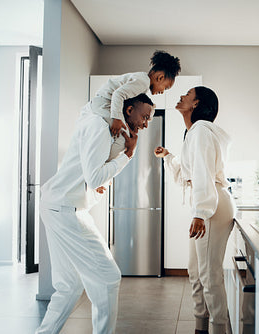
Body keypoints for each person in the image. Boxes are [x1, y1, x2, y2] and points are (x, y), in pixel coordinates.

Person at [36, 93, 155, 334]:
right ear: (128, 109)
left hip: (59, 205)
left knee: (69, 285)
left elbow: (93, 179)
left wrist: (99, 183)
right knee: (109, 277)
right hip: (66, 209)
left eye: (149, 119)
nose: (146, 123)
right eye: (144, 116)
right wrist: (128, 156)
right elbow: (94, 177)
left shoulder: (109, 129)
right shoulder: (101, 127)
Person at [154, 87, 235, 334]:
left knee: (209, 275)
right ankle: (201, 326)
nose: (181, 96)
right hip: (206, 203)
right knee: (195, 271)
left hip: (211, 206)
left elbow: (202, 174)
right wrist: (169, 156)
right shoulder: (193, 132)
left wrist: (200, 212)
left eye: (187, 94)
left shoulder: (200, 131)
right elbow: (190, 172)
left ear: (196, 103)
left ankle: (218, 329)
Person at [93, 50, 180, 137]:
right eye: (165, 88)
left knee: (120, 135)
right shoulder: (143, 82)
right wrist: (117, 118)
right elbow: (118, 94)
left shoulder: (143, 81)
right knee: (119, 137)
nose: (162, 92)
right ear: (160, 77)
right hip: (104, 101)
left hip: (104, 100)